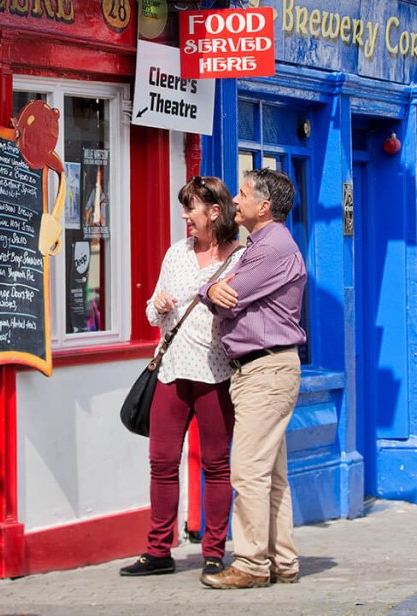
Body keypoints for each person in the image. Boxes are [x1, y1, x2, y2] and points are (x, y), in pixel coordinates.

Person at [120, 176, 243, 579]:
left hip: (214, 372)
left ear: (215, 211)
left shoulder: (239, 258)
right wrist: (156, 304)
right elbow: (154, 315)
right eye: (185, 207)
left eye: (190, 208)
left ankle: (213, 551)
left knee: (216, 465)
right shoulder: (176, 254)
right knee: (161, 463)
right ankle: (158, 551)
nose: (185, 215)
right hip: (171, 371)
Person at [199, 167, 307, 590]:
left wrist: (212, 292)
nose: (235, 201)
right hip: (264, 369)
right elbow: (216, 290)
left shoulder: (272, 247)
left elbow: (230, 298)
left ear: (264, 207)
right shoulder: (261, 244)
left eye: (242, 194)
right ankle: (282, 560)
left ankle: (250, 564)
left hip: (265, 370)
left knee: (247, 472)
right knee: (271, 475)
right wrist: (211, 290)